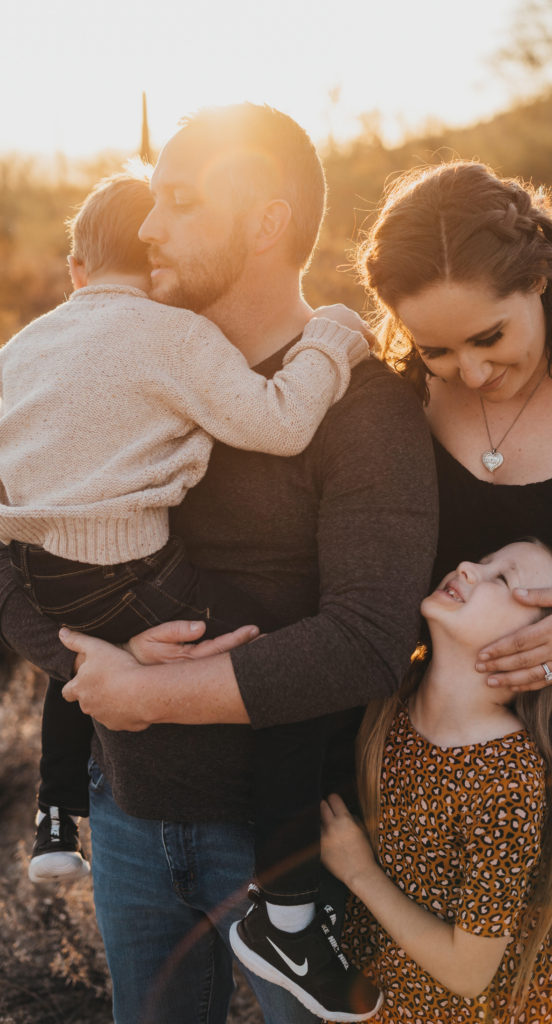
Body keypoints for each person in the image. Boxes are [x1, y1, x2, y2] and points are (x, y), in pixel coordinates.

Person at [0, 104, 438, 1024]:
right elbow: (15, 559)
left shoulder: (360, 408)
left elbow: (367, 641)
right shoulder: (114, 370)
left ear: (266, 223)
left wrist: (151, 691)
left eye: (179, 202)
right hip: (127, 815)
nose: (148, 227)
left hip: (289, 840)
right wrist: (91, 667)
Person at [355, 160, 552, 1023]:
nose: (464, 373)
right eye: (434, 348)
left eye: (488, 338)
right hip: (435, 746)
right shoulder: (396, 397)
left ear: (540, 278)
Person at [321, 539, 552, 1022]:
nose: (468, 567)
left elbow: (470, 972)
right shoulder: (392, 699)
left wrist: (358, 872)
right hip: (390, 1000)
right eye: (484, 562)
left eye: (503, 580)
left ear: (543, 644)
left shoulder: (504, 779)